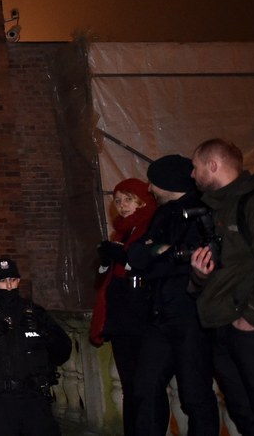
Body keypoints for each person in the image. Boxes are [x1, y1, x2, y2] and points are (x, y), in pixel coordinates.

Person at [126, 155, 218, 436]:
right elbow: (138, 255)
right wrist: (160, 251)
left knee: (194, 394)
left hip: (190, 316)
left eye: (153, 182)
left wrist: (159, 253)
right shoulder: (163, 213)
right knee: (145, 387)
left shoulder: (199, 212)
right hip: (159, 315)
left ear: (168, 182)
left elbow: (189, 258)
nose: (150, 188)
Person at [189, 138, 254, 436]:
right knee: (243, 412)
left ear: (213, 165)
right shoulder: (217, 210)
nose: (192, 175)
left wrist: (251, 317)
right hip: (224, 324)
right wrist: (200, 274)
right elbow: (228, 269)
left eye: (195, 166)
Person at [0, 258, 71, 436]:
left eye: (12, 280)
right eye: (2, 281)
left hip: (34, 398)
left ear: (18, 280)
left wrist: (44, 332)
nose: (8, 286)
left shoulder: (34, 312)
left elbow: (63, 350)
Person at [87, 179, 156, 436]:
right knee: (128, 385)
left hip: (142, 318)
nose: (122, 205)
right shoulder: (121, 232)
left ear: (141, 200)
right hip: (121, 320)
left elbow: (149, 265)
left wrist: (123, 259)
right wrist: (106, 262)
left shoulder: (150, 226)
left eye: (128, 199)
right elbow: (105, 278)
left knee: (143, 385)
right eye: (118, 201)